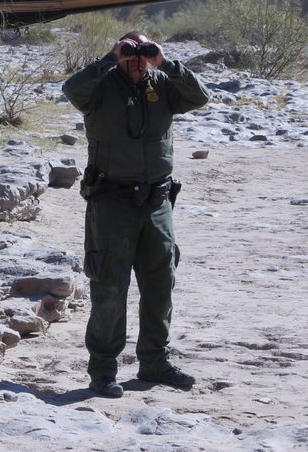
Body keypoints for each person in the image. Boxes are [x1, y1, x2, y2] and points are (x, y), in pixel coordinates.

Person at [62, 31, 211, 398]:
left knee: (161, 285)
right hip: (112, 202)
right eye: (129, 53)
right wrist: (109, 59)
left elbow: (200, 96)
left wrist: (165, 63)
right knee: (110, 287)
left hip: (158, 203)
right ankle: (102, 372)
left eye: (141, 53)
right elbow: (72, 90)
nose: (136, 59)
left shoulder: (163, 83)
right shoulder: (100, 87)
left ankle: (155, 363)